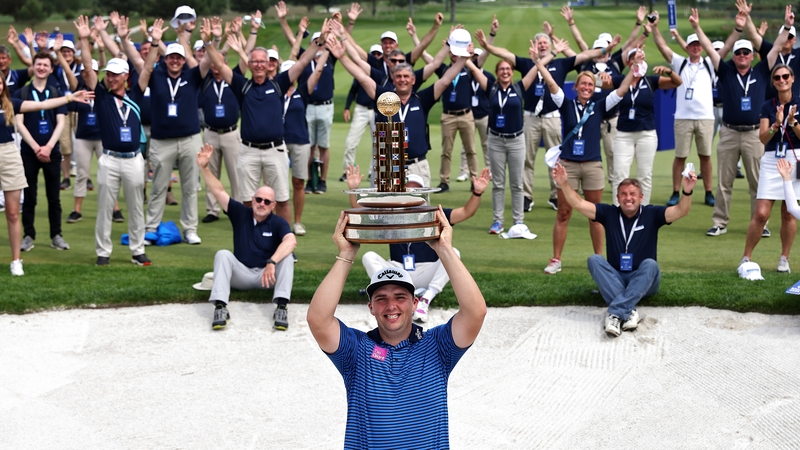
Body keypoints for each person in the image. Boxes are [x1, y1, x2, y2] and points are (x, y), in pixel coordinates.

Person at [306, 206, 486, 449]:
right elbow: (318, 319)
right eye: (381, 298)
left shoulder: (436, 346)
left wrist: (444, 249)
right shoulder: (356, 350)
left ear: (414, 303)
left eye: (400, 297)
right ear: (371, 307)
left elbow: (475, 313)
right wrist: (346, 254)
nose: (391, 306)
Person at [478, 28, 621, 212]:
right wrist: (487, 46)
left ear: (551, 46)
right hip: (531, 116)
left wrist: (606, 50)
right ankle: (527, 197)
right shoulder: (527, 63)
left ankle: (555, 195)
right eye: (539, 43)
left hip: (553, 117)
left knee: (557, 160)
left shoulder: (561, 63)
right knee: (527, 159)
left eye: (546, 43)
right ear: (535, 46)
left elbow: (585, 55)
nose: (543, 45)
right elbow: (505, 54)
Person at [554, 163, 697, 337]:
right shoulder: (609, 213)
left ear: (641, 197)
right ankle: (629, 312)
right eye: (623, 194)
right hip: (617, 277)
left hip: (645, 280)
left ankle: (615, 313)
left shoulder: (652, 214)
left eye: (632, 194)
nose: (628, 198)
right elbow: (578, 203)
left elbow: (682, 210)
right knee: (594, 260)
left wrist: (687, 191)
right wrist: (564, 184)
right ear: (617, 197)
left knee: (651, 265)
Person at [201, 16, 317, 224]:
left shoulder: (279, 84)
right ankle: (250, 245)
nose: (259, 65)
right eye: (254, 61)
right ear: (249, 63)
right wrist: (209, 43)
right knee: (247, 201)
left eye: (263, 61)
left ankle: (284, 243)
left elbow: (303, 62)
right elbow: (218, 62)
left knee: (281, 200)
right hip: (248, 151)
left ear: (269, 64)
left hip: (275, 150)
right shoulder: (242, 85)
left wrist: (319, 41)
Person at [346, 164, 490, 322]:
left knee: (453, 253)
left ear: (424, 194)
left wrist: (477, 192)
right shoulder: (392, 212)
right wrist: (354, 190)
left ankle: (426, 298)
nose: (413, 195)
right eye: (410, 190)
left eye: (417, 190)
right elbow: (359, 210)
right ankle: (401, 293)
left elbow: (466, 212)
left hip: (426, 270)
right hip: (398, 269)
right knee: (369, 256)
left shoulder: (435, 214)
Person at [540, 51, 638, 274]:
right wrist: (538, 61)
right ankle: (556, 259)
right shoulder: (565, 104)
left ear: (594, 88)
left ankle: (600, 260)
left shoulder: (601, 105)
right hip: (568, 166)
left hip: (593, 164)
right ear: (575, 87)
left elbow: (622, 90)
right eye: (582, 84)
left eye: (590, 84)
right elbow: (551, 83)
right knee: (564, 212)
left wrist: (635, 68)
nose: (586, 87)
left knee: (596, 215)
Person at [330, 31, 467, 187]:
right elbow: (362, 78)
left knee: (419, 210)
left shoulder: (422, 99)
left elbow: (446, 80)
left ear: (413, 80)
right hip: (388, 165)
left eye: (406, 77)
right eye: (399, 77)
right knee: (387, 209)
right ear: (393, 80)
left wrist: (464, 58)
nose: (403, 80)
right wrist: (342, 57)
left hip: (417, 166)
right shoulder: (385, 98)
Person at [120, 15, 204, 245]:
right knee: (158, 187)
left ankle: (190, 229)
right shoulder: (155, 74)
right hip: (162, 140)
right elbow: (138, 61)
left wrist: (212, 40)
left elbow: (207, 63)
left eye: (179, 57)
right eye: (171, 58)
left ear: (183, 59)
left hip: (189, 139)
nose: (175, 61)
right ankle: (151, 227)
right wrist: (130, 40)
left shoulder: (192, 75)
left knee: (189, 187)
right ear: (164, 59)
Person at [73, 16, 150, 267]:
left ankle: (138, 251)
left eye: (116, 75)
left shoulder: (136, 93)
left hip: (134, 160)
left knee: (137, 208)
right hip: (109, 159)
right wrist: (85, 39)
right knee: (105, 208)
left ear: (125, 75)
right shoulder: (102, 96)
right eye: (109, 74)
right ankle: (103, 252)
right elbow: (87, 65)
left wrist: (154, 43)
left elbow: (147, 68)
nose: (111, 78)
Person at [0, 70, 92, 275]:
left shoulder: (10, 104)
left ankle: (16, 261)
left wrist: (69, 98)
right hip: (16, 154)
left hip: (8, 154)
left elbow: (42, 105)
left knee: (13, 213)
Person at [197, 142, 296, 331]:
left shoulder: (278, 223)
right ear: (253, 200)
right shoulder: (240, 213)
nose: (261, 203)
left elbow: (291, 241)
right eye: (258, 199)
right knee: (223, 254)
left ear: (273, 205)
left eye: (267, 201)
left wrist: (272, 262)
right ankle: (220, 308)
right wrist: (204, 167)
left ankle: (281, 307)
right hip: (240, 274)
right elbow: (218, 191)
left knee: (288, 257)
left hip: (267, 277)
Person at [690, 11, 770, 239]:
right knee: (724, 182)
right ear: (733, 56)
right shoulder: (725, 72)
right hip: (729, 133)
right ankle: (720, 222)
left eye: (746, 52)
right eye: (738, 53)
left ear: (753, 55)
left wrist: (782, 26)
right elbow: (709, 48)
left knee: (757, 183)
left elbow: (769, 47)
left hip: (755, 133)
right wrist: (697, 28)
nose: (742, 55)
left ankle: (760, 223)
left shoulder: (762, 71)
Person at [468, 37, 554, 235]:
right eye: (501, 70)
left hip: (516, 141)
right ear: (497, 73)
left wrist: (542, 57)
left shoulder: (519, 87)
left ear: (512, 72)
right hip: (496, 141)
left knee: (516, 183)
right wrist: (465, 54)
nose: (505, 72)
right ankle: (497, 221)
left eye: (508, 69)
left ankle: (518, 222)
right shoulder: (491, 88)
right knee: (498, 184)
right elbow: (473, 69)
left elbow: (537, 68)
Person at [650, 11, 716, 207]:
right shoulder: (680, 62)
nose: (696, 48)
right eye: (692, 45)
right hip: (683, 117)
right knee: (680, 156)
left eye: (699, 44)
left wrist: (698, 27)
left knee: (706, 156)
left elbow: (724, 45)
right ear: (687, 47)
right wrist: (654, 28)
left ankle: (709, 192)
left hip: (705, 117)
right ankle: (675, 191)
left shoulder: (710, 63)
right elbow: (663, 47)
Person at [740, 63, 800, 273]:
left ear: (792, 78)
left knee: (789, 213)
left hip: (795, 158)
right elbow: (763, 138)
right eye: (777, 78)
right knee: (761, 213)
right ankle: (746, 258)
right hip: (772, 158)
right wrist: (776, 125)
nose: (782, 80)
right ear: (773, 82)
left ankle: (784, 258)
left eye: (785, 76)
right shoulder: (768, 106)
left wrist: (792, 123)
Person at [14, 51, 73, 253]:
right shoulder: (22, 93)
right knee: (29, 196)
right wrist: (36, 147)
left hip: (52, 152)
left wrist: (48, 147)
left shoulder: (56, 92)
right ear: (34, 66)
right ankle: (28, 235)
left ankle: (56, 235)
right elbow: (19, 124)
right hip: (29, 152)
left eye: (45, 65)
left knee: (54, 197)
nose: (41, 68)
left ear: (51, 68)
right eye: (38, 64)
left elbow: (61, 123)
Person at [609, 48, 683, 205]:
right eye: (633, 59)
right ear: (629, 62)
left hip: (646, 133)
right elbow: (599, 83)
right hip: (624, 134)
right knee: (620, 174)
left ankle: (643, 209)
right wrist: (599, 76)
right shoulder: (620, 80)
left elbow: (678, 82)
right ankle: (618, 210)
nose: (637, 62)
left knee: (644, 175)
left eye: (640, 59)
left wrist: (669, 71)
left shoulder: (650, 81)